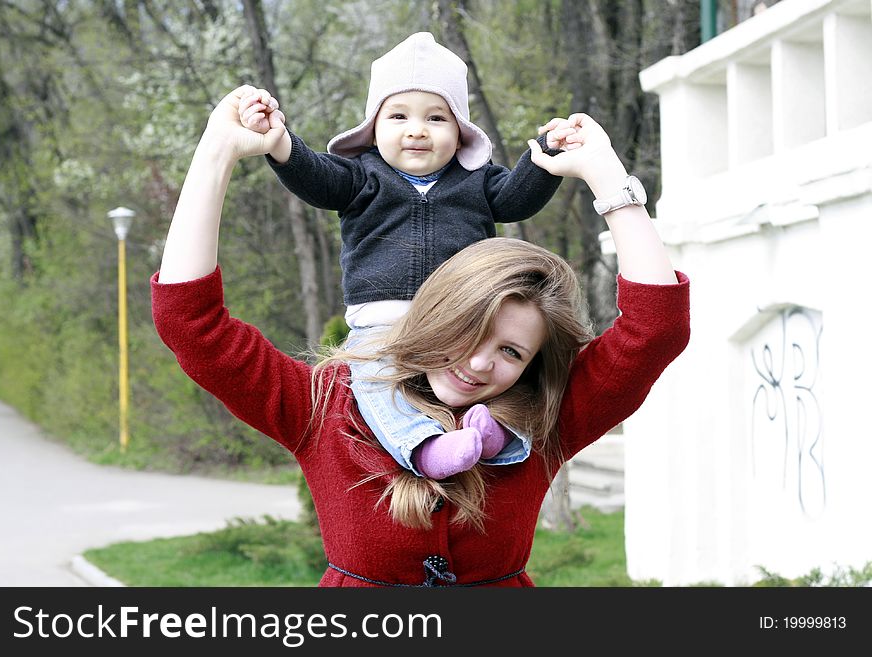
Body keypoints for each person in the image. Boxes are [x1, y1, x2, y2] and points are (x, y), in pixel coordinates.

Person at [151, 85, 690, 587]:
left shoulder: (546, 417)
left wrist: (607, 178)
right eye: (467, 330)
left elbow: (656, 329)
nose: (479, 364)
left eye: (510, 351)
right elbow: (192, 327)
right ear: (436, 314)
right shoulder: (325, 407)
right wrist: (217, 153)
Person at [236, 32, 568, 480]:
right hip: (382, 323)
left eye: (435, 117)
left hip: (464, 321)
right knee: (374, 383)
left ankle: (496, 434)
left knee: (496, 372)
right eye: (399, 116)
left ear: (459, 131)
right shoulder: (359, 178)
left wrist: (543, 155)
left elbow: (516, 200)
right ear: (374, 128)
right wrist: (280, 142)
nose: (417, 129)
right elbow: (316, 178)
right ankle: (425, 447)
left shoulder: (477, 181)